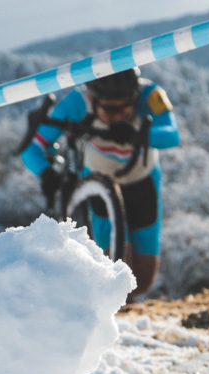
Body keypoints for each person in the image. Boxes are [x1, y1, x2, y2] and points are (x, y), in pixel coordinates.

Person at [20, 67, 179, 300]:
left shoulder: (150, 94)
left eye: (126, 107)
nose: (119, 116)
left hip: (142, 180)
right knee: (112, 268)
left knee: (144, 280)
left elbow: (172, 134)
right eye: (110, 109)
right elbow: (32, 147)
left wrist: (137, 135)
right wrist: (45, 173)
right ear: (94, 100)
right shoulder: (77, 103)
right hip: (99, 177)